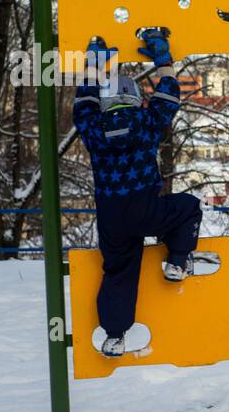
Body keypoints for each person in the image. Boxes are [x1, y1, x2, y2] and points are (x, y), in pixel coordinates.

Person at [74, 29, 201, 357]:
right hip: (145, 208)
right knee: (187, 208)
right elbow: (170, 94)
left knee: (119, 272)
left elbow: (83, 103)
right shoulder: (146, 122)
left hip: (111, 217)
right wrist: (162, 58)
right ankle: (176, 261)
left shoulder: (93, 129)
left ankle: (114, 336)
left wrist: (93, 65)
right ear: (134, 98)